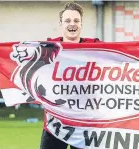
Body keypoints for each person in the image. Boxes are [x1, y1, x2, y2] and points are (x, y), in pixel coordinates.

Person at [40, 2, 101, 149]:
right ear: (61, 24)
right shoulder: (48, 49)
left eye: (76, 21)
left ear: (81, 24)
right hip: (55, 123)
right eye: (67, 21)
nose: (72, 24)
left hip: (85, 123)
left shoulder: (95, 47)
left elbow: (125, 54)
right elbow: (13, 53)